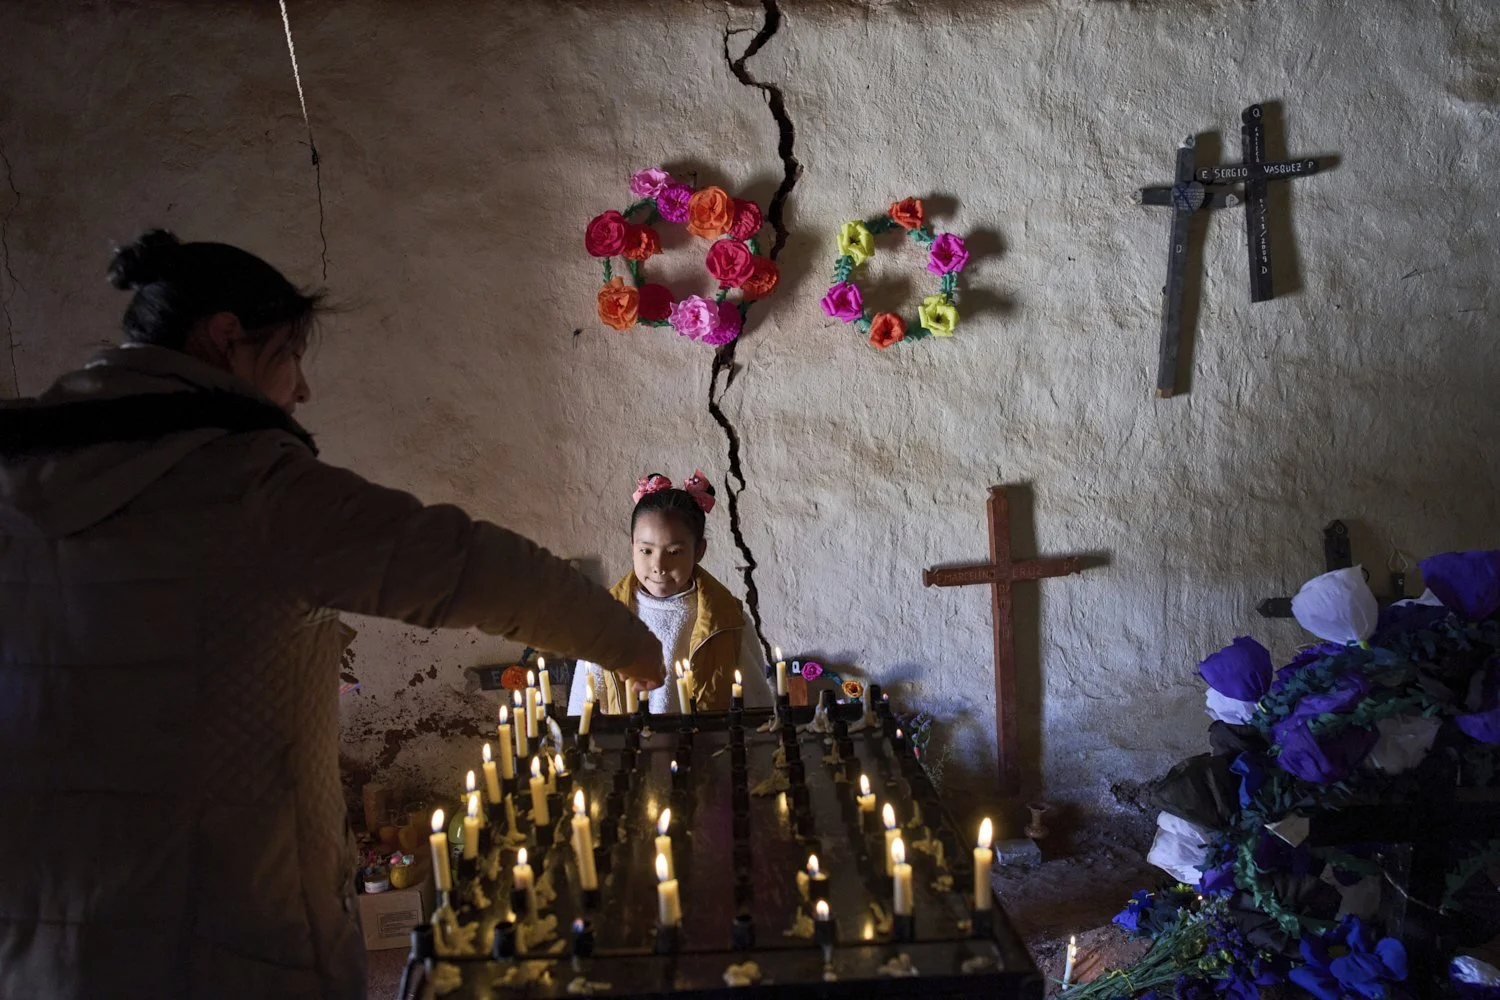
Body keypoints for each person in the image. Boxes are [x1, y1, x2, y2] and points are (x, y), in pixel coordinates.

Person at [0, 229, 665, 1000]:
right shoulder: (249, 488)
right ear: (227, 340)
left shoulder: (17, 476)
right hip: (224, 934)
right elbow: (464, 566)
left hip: (37, 941)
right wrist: (626, 642)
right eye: (291, 355)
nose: (301, 389)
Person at [566, 470, 772, 716]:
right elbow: (583, 704)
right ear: (632, 546)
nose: (659, 566)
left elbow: (756, 703)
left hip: (705, 751)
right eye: (646, 551)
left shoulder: (727, 620)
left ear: (698, 551)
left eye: (674, 552)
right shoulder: (606, 618)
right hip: (631, 751)